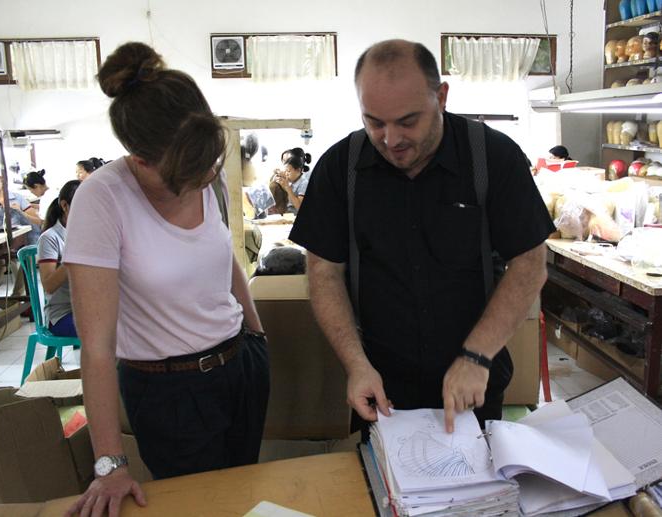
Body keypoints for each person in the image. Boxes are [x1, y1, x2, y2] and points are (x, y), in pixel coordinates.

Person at [289, 39, 554, 437]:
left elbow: (530, 264)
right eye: (374, 121)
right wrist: (355, 364)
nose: (391, 139)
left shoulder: (492, 157)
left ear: (441, 96)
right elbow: (324, 271)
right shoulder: (340, 168)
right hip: (382, 388)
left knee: (481, 497)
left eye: (408, 121)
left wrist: (477, 355)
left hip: (474, 382)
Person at [63, 42, 269, 517]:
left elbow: (225, 256)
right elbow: (95, 348)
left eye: (208, 167)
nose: (202, 181)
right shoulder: (102, 201)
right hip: (170, 392)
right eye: (186, 175)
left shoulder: (205, 172)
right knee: (200, 507)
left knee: (242, 497)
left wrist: (257, 335)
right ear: (140, 160)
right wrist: (109, 464)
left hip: (241, 366)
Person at [0, 166, 42, 300]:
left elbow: (37, 222)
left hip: (19, 240)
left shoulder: (17, 198)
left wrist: (20, 212)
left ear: (1, 179)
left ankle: (17, 298)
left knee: (26, 260)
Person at [37, 180, 81, 337]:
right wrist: (75, 256)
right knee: (114, 331)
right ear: (64, 206)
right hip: (63, 314)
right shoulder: (50, 238)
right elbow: (48, 285)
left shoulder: (92, 232)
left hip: (91, 307)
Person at [269, 148, 312, 214]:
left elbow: (299, 206)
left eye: (288, 171)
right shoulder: (290, 179)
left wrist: (287, 188)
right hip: (286, 211)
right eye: (285, 171)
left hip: (295, 214)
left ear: (298, 170)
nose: (286, 173)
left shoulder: (304, 183)